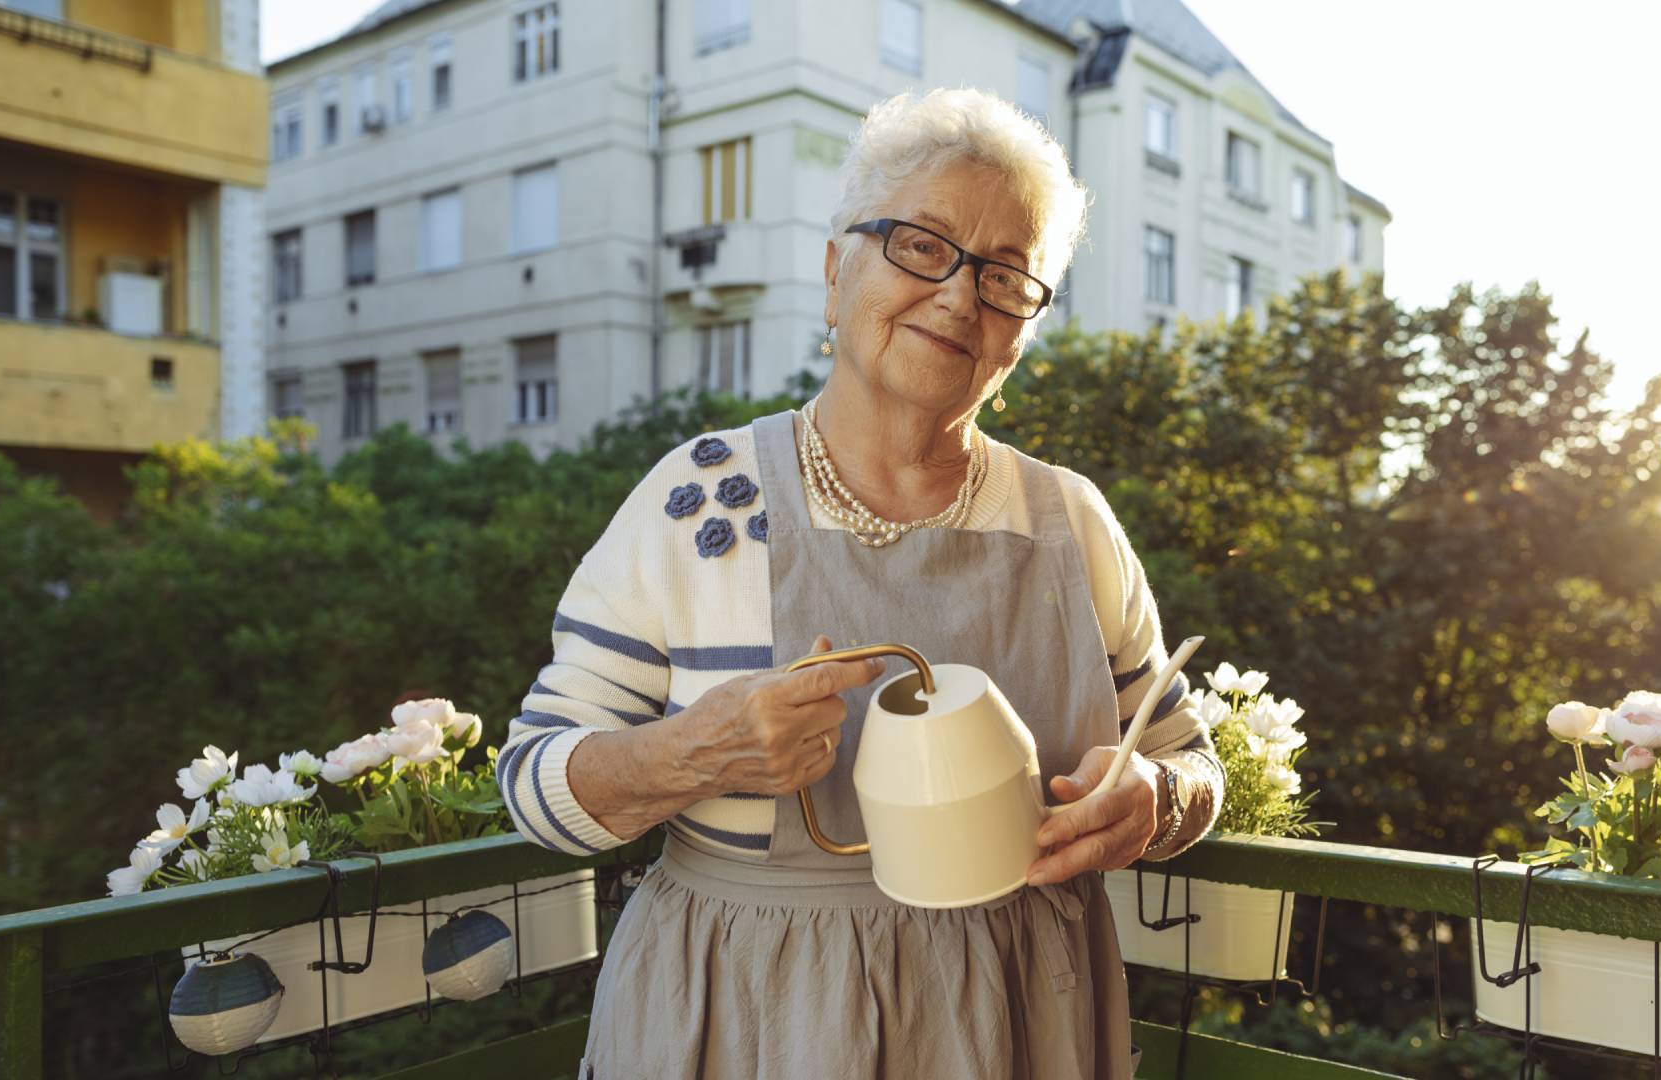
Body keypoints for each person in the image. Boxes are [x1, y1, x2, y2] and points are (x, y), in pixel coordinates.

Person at [497, 87, 1223, 1080]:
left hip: (1024, 1020)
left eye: (1006, 276)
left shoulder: (1070, 522)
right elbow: (532, 784)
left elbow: (1187, 761)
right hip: (755, 1023)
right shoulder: (699, 502)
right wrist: (689, 753)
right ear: (838, 272)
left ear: (1023, 330)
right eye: (921, 245)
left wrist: (1155, 798)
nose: (960, 297)